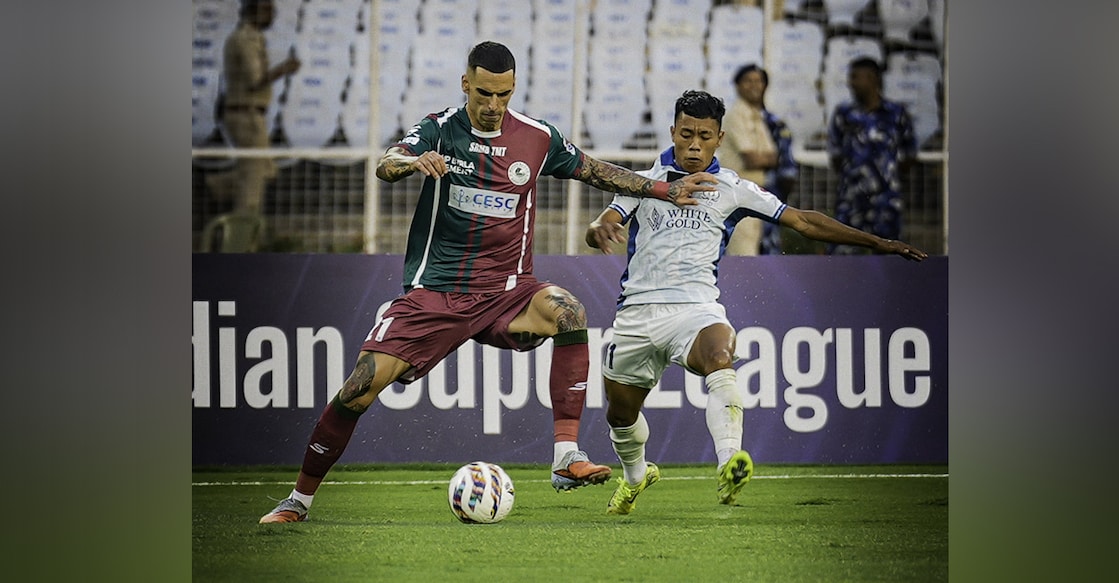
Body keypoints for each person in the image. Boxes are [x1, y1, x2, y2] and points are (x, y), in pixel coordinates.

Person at [259, 41, 717, 523]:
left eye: (504, 94)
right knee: (358, 389)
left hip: (508, 292)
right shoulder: (438, 130)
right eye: (484, 94)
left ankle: (565, 457)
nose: (494, 105)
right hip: (436, 292)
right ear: (466, 85)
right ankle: (298, 500)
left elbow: (593, 170)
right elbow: (387, 161)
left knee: (569, 312)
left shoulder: (536, 137)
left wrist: (664, 188)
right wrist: (413, 164)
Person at [585, 90, 927, 515]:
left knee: (719, 354)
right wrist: (599, 228)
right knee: (620, 416)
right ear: (672, 131)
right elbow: (607, 219)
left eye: (705, 136)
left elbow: (801, 219)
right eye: (687, 134)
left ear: (719, 138)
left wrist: (878, 242)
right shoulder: (645, 183)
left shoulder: (733, 189)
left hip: (695, 308)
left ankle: (730, 463)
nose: (695, 144)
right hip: (636, 313)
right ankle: (636, 476)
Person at [206, 0, 301, 219]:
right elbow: (255, 80)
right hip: (245, 114)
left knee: (263, 170)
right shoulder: (244, 39)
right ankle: (244, 227)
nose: (272, 15)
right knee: (253, 176)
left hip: (249, 113)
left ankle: (212, 186)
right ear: (252, 11)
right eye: (267, 10)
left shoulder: (252, 38)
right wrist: (284, 69)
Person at [827, 56, 918, 255]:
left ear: (872, 79)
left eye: (855, 77)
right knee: (841, 254)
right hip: (851, 198)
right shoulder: (844, 113)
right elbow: (835, 154)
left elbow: (910, 154)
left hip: (885, 200)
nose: (851, 83)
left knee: (890, 254)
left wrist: (885, 177)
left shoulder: (896, 113)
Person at [716, 64, 798, 256]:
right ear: (737, 86)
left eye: (758, 81)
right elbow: (752, 159)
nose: (754, 86)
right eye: (748, 81)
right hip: (740, 196)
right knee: (743, 256)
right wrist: (773, 159)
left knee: (765, 255)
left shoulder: (759, 116)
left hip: (759, 195)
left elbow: (768, 156)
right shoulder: (737, 114)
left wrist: (769, 158)